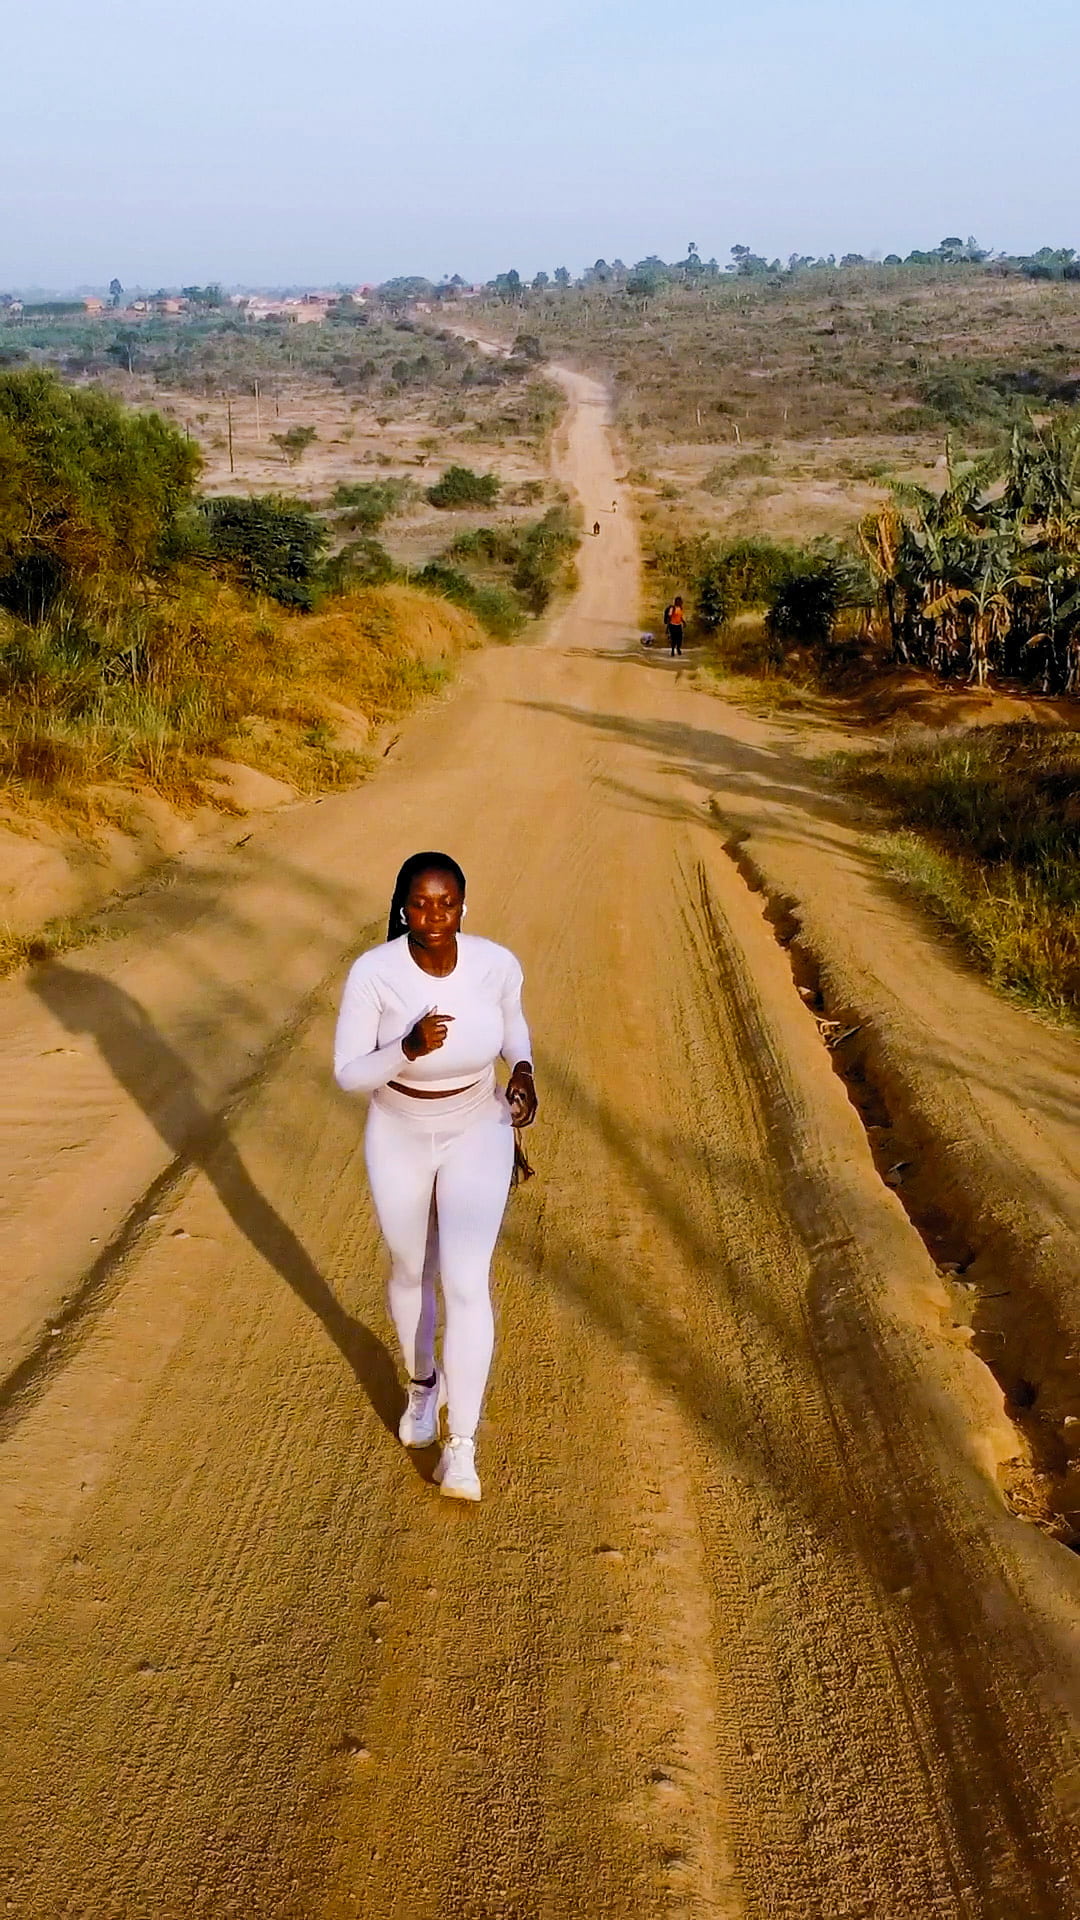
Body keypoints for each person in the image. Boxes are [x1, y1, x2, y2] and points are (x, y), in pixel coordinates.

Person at [334, 852, 537, 1502]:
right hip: (398, 1131)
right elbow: (349, 1074)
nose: (433, 916)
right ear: (403, 910)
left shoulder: (495, 963)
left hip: (478, 1126)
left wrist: (524, 1070)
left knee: (466, 1281)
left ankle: (462, 1447)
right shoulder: (374, 973)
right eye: (420, 904)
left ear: (462, 907)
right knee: (408, 1269)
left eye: (445, 903)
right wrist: (406, 1049)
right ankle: (423, 1387)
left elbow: (513, 1024)